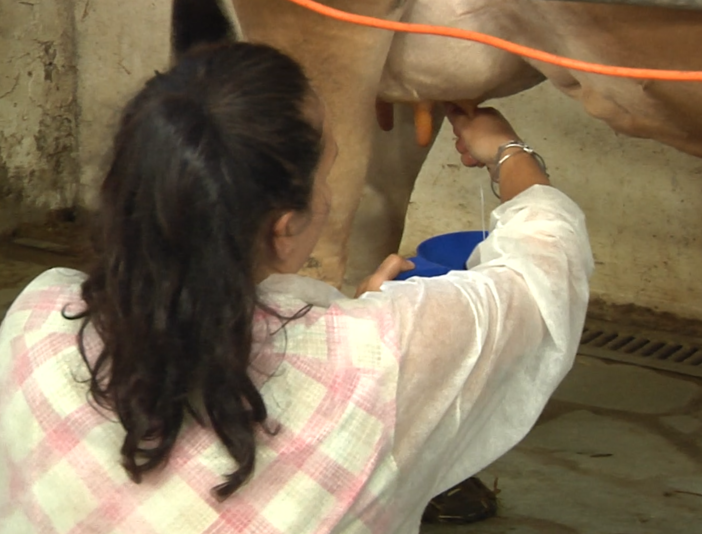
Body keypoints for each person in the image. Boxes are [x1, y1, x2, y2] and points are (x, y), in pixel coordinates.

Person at [0, 41, 593, 533]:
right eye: (325, 173)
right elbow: (543, 267)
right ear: (285, 231)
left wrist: (345, 316)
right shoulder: (382, 360)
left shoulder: (39, 317)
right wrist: (507, 152)